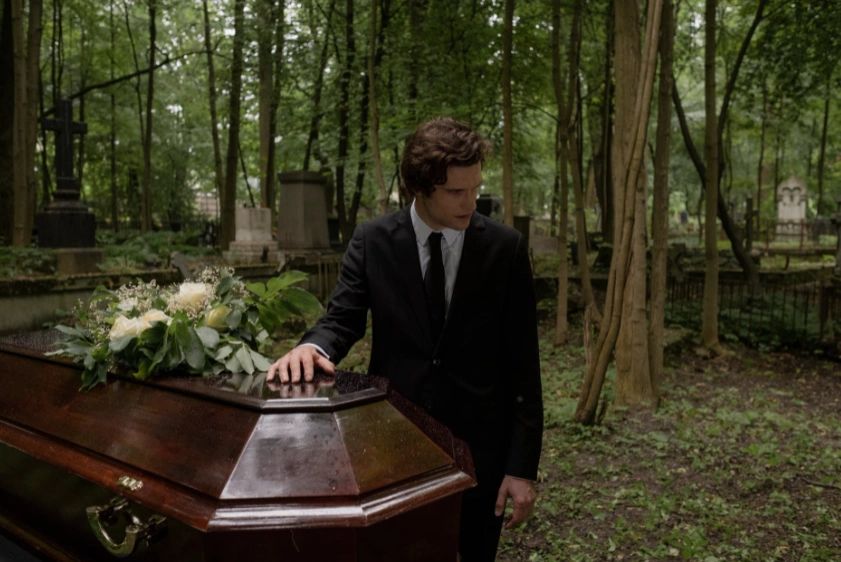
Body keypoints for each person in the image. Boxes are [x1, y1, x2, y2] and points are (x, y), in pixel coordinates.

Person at [268, 117, 543, 562]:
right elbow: (342, 320)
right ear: (419, 187)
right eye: (456, 192)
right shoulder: (372, 241)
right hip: (392, 448)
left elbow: (524, 366)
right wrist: (310, 347)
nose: (471, 202)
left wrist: (521, 468)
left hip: (480, 454)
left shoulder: (505, 248)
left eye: (475, 188)